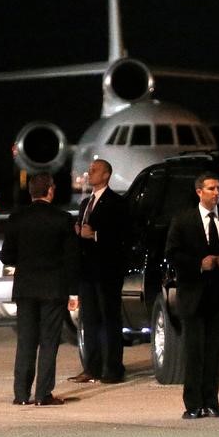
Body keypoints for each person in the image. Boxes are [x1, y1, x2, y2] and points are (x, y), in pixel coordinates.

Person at [165, 172, 219, 419]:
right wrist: (199, 264)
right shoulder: (184, 220)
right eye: (211, 188)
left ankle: (212, 401)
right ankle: (193, 404)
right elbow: (172, 253)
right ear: (199, 191)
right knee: (195, 352)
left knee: (214, 353)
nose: (216, 192)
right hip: (194, 295)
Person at [1, 173, 79, 406]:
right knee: (48, 341)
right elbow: (71, 258)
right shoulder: (62, 219)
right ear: (51, 190)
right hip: (53, 287)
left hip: (25, 287)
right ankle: (43, 393)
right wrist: (73, 291)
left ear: (31, 192)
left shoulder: (17, 218)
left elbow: (7, 256)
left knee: (26, 340)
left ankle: (21, 394)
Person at [68, 159, 129, 384]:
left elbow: (122, 236)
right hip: (87, 271)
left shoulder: (116, 203)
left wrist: (94, 235)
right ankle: (91, 367)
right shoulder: (86, 203)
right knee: (89, 320)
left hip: (107, 271)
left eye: (94, 171)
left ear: (106, 175)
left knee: (109, 319)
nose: (89, 173)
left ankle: (112, 368)